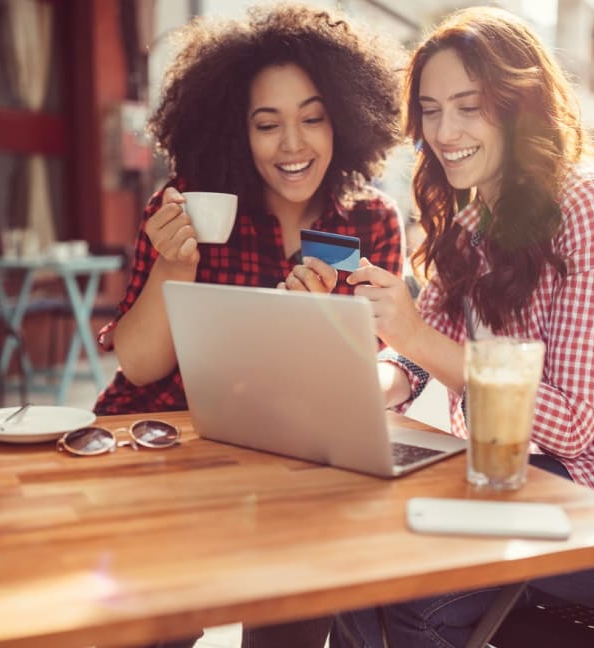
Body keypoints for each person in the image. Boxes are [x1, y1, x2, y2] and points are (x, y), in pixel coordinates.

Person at [334, 7, 594, 646]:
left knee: (408, 595)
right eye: (433, 109)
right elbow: (417, 361)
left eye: (470, 107)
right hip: (537, 482)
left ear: (518, 106)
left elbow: (572, 423)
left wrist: (415, 335)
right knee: (353, 566)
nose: (445, 131)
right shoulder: (470, 230)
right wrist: (359, 388)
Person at [92, 3, 404, 646]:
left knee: (290, 624)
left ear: (344, 120)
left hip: (294, 469)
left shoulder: (372, 223)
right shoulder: (189, 205)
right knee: (159, 629)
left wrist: (320, 333)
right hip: (171, 456)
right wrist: (172, 268)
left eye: (313, 119)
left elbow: (369, 369)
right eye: (268, 125)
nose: (293, 145)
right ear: (238, 131)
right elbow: (140, 366)